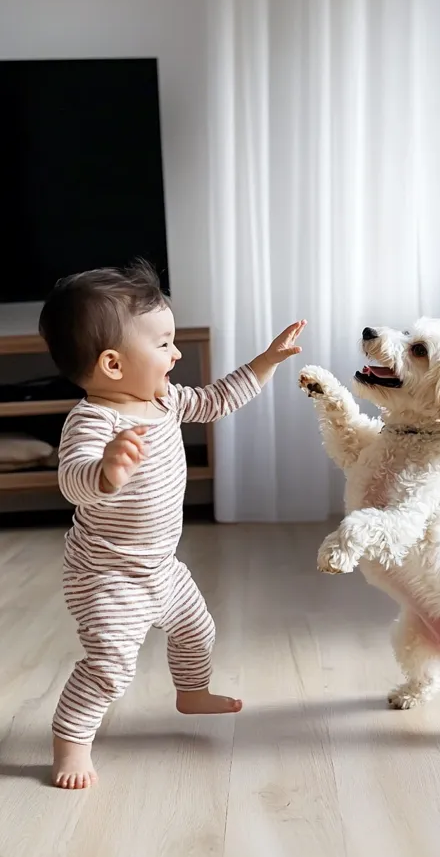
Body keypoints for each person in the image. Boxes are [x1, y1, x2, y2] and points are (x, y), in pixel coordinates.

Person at [39, 262, 305, 790]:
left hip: (161, 565)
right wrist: (106, 470)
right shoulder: (94, 421)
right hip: (107, 576)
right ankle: (70, 741)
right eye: (163, 344)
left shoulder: (165, 399)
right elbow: (72, 482)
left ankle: (191, 693)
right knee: (111, 666)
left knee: (196, 629)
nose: (176, 354)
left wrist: (266, 362)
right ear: (113, 364)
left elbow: (217, 398)